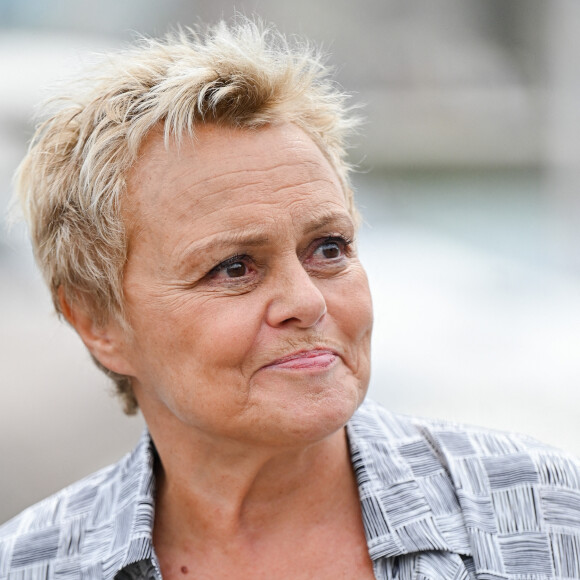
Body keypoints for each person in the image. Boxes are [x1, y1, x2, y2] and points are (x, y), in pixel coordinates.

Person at [1, 19, 579, 580]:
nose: (307, 302)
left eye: (329, 248)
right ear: (98, 321)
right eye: (234, 268)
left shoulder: (549, 518)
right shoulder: (31, 565)